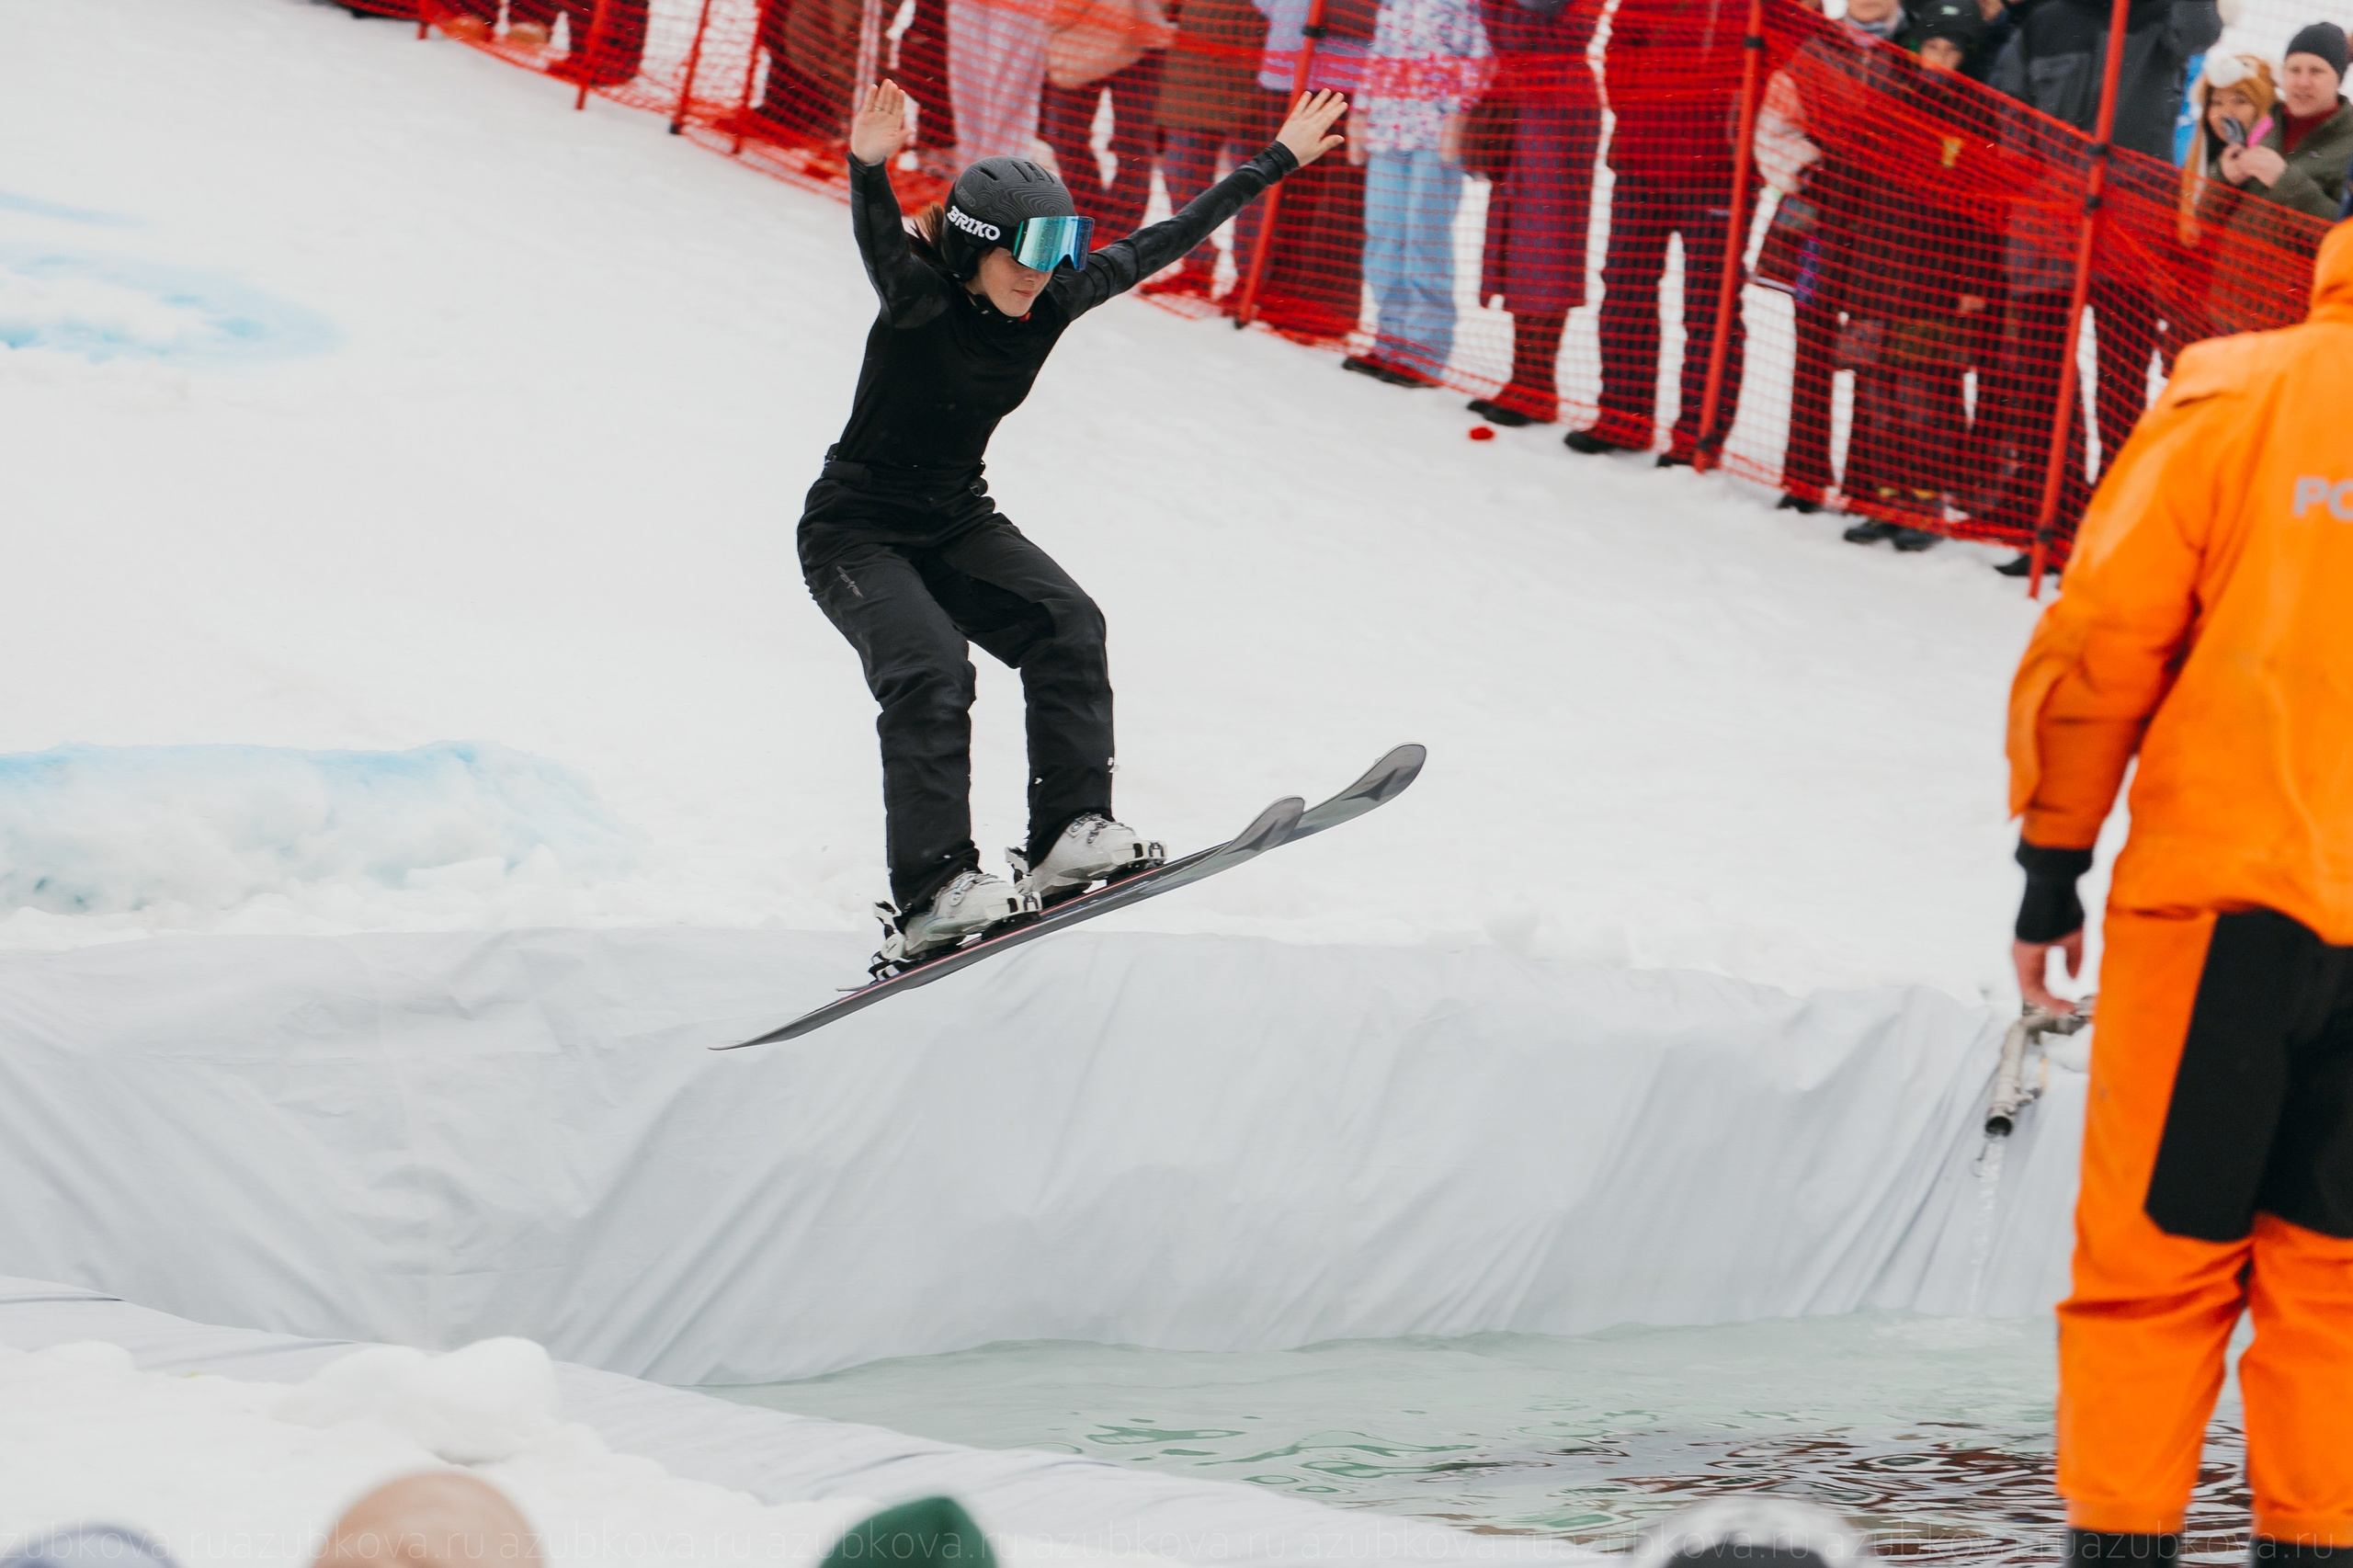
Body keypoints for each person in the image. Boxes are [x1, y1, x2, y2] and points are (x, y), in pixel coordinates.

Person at [802, 80, 1348, 966]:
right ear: (976, 247)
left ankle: (1068, 835)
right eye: (1024, 253)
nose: (1038, 274)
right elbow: (877, 240)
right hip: (854, 531)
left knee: (1067, 623)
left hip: (954, 516)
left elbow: (1165, 239)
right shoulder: (920, 301)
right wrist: (869, 164)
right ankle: (935, 889)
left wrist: (1276, 159)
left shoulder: (1053, 298)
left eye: (1056, 252)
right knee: (930, 668)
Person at [2006, 217, 2353, 1568]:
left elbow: (2101, 638)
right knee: (2336, 1280)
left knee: (2158, 1268)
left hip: (2226, 907)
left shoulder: (2237, 391)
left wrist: (2052, 864)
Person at [1980, 0, 2222, 545]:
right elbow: (2009, 106)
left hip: (2132, 234)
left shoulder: (2162, 20)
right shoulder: (2048, 21)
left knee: (2121, 386)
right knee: (2045, 381)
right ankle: (2053, 516)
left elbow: (2202, 31)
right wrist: (2034, 177)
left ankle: (2114, 520)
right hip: (2049, 228)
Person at [1563, 0, 1748, 465]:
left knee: (1711, 304)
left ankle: (1699, 433)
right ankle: (1624, 415)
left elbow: (1782, 68)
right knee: (1625, 287)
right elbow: (1621, 49)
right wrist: (1640, 106)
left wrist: (1730, 126)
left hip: (1722, 172)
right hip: (1643, 156)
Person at [1461, 0, 1602, 426]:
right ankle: (1524, 378)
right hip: (1520, 96)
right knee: (1517, 237)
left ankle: (1538, 384)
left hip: (1557, 103)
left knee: (1547, 241)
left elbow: (1557, 34)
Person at [1342, 0, 1492, 385]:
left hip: (1435, 130)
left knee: (1424, 235)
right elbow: (1380, 51)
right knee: (1384, 232)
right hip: (1388, 125)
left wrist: (1459, 114)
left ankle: (1424, 351)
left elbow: (1480, 57)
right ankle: (1390, 339)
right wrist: (1360, 112)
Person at [1148, 0, 1278, 298]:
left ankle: (1251, 279)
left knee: (1254, 185)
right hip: (1194, 63)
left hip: (1257, 60)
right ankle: (1197, 264)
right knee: (1180, 172)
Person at [1040, 0, 1175, 233]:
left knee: (1132, 141)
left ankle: (1118, 229)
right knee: (1062, 134)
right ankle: (1083, 213)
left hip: (1139, 39)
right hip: (1075, 40)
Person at [2221, 23, 2353, 220]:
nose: (2302, 82)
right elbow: (2204, 216)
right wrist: (2223, 176)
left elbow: (2344, 235)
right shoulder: (2264, 124)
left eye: (2316, 71)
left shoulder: (2348, 143)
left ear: (2339, 80)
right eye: (2294, 70)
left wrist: (2284, 181)